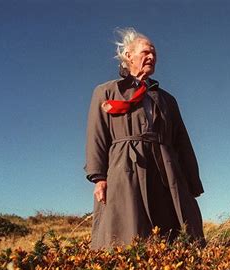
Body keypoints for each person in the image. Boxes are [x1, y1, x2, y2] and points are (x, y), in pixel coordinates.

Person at [84, 28, 205, 249]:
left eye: (154, 54)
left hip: (165, 169)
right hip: (124, 169)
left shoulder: (167, 99)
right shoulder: (106, 92)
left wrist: (192, 182)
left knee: (174, 230)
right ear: (128, 55)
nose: (151, 57)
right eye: (146, 52)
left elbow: (182, 142)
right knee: (126, 229)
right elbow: (97, 136)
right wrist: (98, 177)